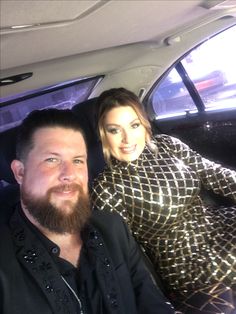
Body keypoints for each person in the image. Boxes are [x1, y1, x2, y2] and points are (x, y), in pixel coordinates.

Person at [0, 109, 175, 314]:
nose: (70, 175)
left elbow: (152, 302)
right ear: (20, 172)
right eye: (52, 160)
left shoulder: (113, 228)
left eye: (77, 161)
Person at [91, 88, 236, 314]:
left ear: (144, 125)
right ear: (103, 134)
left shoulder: (167, 145)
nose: (127, 139)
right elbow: (124, 255)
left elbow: (214, 173)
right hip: (185, 261)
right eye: (114, 130)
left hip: (217, 222)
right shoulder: (106, 187)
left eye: (134, 125)